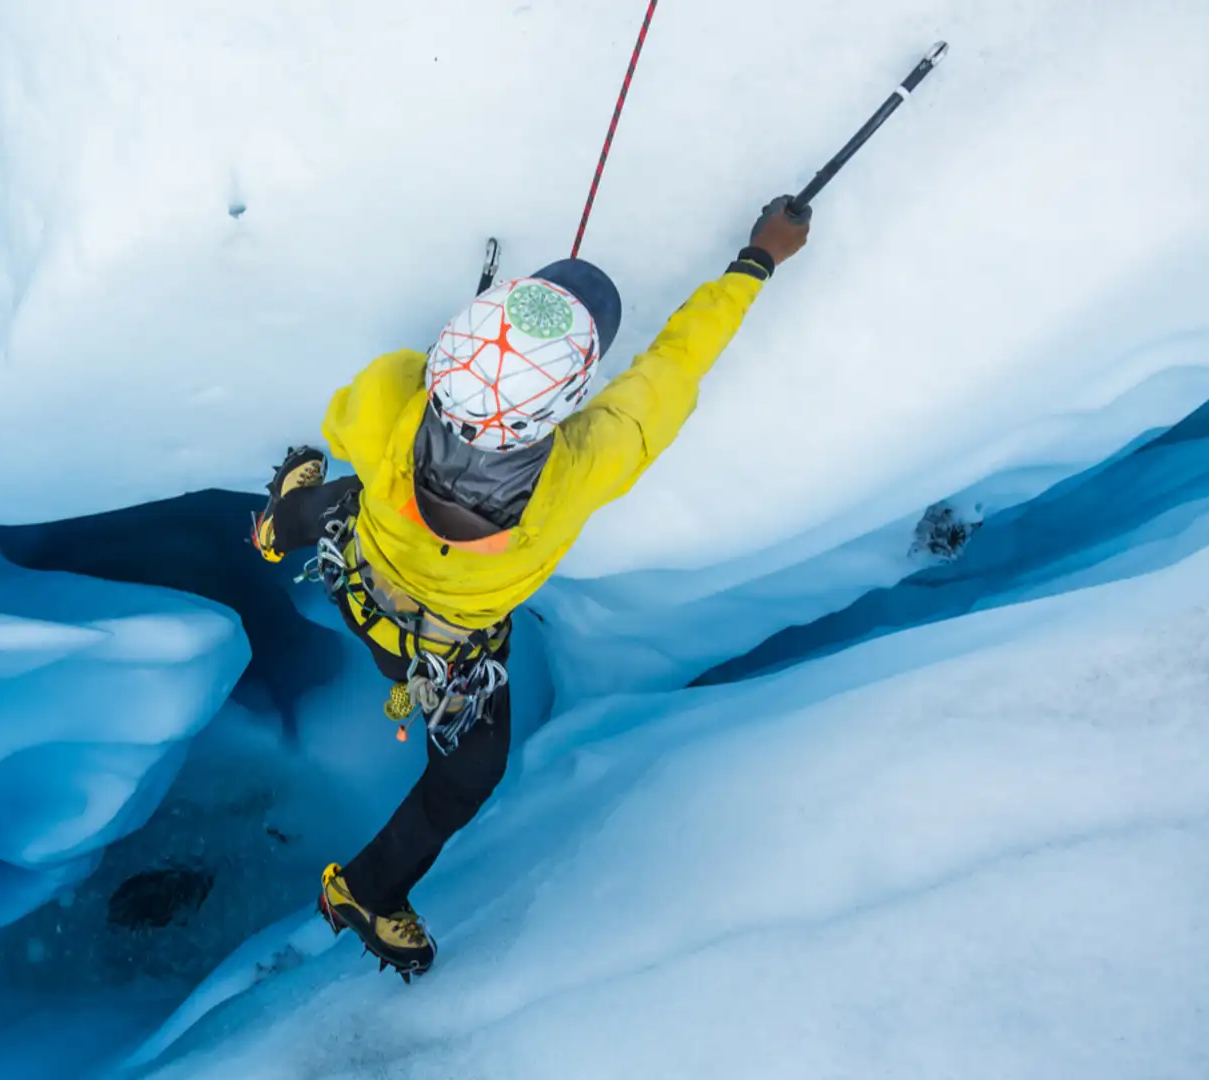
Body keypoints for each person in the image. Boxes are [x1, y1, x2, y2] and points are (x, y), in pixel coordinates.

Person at [248, 199, 812, 979]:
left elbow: (346, 423)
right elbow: (673, 366)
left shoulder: (392, 395)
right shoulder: (581, 472)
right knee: (467, 775)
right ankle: (371, 890)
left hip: (357, 568)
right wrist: (758, 260)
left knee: (349, 493)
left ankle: (280, 522)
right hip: (440, 655)